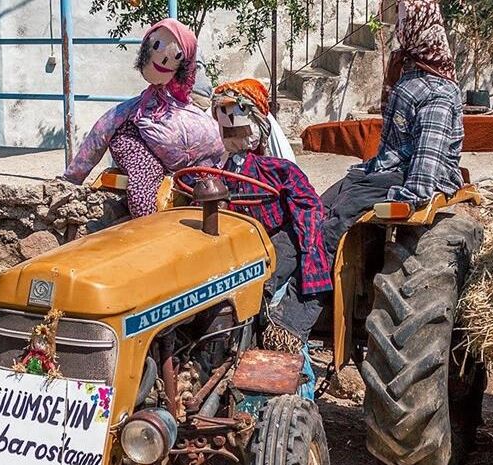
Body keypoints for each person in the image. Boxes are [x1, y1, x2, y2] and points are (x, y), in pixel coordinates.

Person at [321, 0, 464, 257]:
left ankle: (314, 284)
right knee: (321, 204)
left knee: (340, 215)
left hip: (415, 176)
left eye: (404, 20)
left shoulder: (438, 93)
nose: (399, 26)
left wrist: (401, 197)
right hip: (390, 170)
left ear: (419, 27)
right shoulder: (408, 73)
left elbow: (426, 162)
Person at [211, 79, 332, 358]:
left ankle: (274, 345)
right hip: (237, 238)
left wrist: (309, 250)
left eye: (238, 120)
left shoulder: (279, 170)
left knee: (264, 275)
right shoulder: (221, 172)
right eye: (224, 120)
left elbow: (308, 208)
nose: (230, 126)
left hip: (274, 237)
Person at [62, 19, 224, 218]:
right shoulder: (132, 111)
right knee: (143, 183)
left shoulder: (188, 107)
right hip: (138, 145)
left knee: (211, 187)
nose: (164, 60)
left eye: (175, 57)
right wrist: (73, 177)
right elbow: (101, 131)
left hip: (184, 169)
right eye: (156, 46)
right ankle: (145, 228)